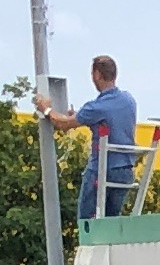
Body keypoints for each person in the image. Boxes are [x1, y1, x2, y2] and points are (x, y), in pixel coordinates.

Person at [52, 56, 139, 218]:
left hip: (102, 170)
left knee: (88, 221)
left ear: (97, 74)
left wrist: (46, 109)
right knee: (111, 221)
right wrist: (80, 116)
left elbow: (62, 124)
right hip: (126, 171)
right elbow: (109, 118)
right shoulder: (129, 100)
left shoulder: (96, 107)